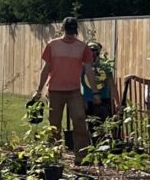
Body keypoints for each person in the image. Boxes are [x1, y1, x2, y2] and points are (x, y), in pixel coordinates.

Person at [31, 17, 95, 154]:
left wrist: (95, 92)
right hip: (55, 91)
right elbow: (46, 69)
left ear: (76, 30)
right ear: (63, 29)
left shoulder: (82, 47)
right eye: (68, 31)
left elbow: (89, 71)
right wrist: (38, 90)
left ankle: (81, 155)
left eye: (72, 31)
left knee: (79, 120)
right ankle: (54, 154)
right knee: (54, 125)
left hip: (74, 91)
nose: (70, 34)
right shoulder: (52, 45)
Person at [82, 42, 113, 123]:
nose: (92, 53)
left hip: (103, 98)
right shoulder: (83, 66)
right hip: (88, 99)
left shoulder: (105, 66)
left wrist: (116, 102)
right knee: (89, 124)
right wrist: (82, 98)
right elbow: (77, 82)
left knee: (102, 123)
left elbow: (112, 84)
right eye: (90, 50)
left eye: (94, 50)